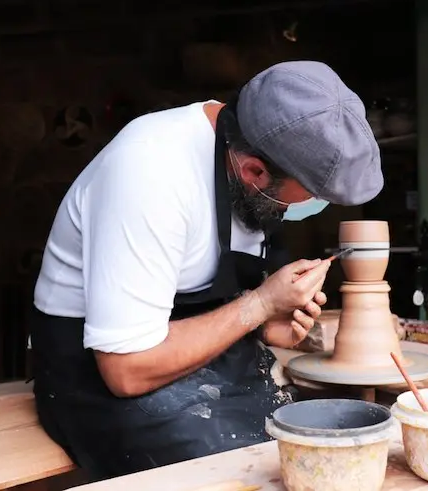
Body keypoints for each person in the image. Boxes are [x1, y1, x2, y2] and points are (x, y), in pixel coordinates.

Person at [29, 61, 384, 480]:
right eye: (305, 197)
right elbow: (125, 369)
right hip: (95, 368)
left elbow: (221, 296)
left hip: (194, 360)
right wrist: (259, 305)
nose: (306, 208)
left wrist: (267, 326)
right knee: (239, 472)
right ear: (255, 171)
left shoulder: (251, 171)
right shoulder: (150, 172)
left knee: (298, 445)